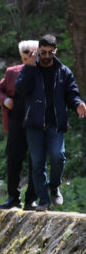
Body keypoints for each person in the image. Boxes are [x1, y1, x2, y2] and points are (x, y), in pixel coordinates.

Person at [16, 33, 86, 211]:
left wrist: (78, 103)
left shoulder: (64, 71)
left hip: (55, 123)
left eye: (50, 53)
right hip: (34, 124)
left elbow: (72, 93)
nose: (47, 56)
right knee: (38, 163)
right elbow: (21, 89)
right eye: (43, 52)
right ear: (38, 51)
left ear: (55, 51)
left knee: (57, 156)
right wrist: (30, 67)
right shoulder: (30, 67)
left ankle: (54, 185)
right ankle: (44, 201)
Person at [0, 40, 38, 210]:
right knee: (13, 157)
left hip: (36, 122)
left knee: (36, 159)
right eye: (26, 55)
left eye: (33, 54)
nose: (29, 57)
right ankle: (13, 197)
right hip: (17, 119)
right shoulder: (12, 72)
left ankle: (31, 200)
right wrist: (5, 100)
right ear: (22, 56)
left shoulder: (45, 72)